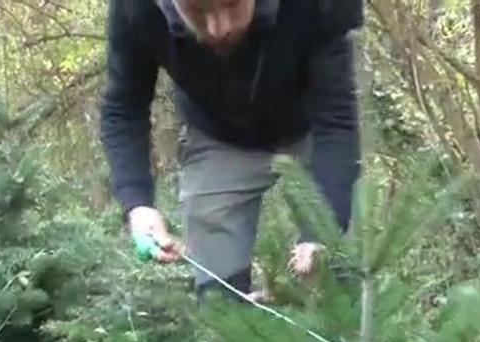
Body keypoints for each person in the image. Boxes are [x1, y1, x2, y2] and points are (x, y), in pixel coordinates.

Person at [100, 0, 363, 302]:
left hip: (313, 127)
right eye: (197, 13)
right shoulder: (135, 9)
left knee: (336, 262)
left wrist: (322, 231)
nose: (218, 28)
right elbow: (123, 108)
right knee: (218, 297)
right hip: (217, 135)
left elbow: (337, 122)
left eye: (232, 5)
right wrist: (138, 204)